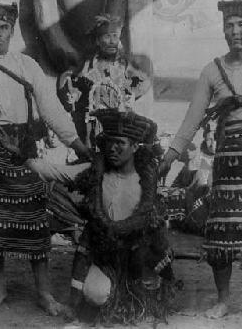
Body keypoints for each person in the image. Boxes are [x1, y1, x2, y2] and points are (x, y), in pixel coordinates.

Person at [159, 0, 242, 320]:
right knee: (221, 231)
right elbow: (192, 118)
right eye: (230, 26)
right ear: (223, 31)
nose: (236, 31)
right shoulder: (212, 70)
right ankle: (222, 299)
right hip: (229, 158)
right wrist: (170, 156)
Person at [0, 1, 90, 315]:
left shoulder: (28, 66)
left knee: (35, 223)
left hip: (24, 154)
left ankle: (44, 292)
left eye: (4, 28)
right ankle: (0, 286)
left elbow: (51, 109)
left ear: (12, 31)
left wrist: (77, 143)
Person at [65, 108, 175, 325]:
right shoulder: (96, 176)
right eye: (109, 142)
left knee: (146, 290)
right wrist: (23, 159)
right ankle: (105, 298)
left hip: (138, 256)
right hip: (106, 256)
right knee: (95, 294)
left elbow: (156, 233)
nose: (112, 148)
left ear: (135, 146)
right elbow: (54, 171)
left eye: (120, 143)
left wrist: (166, 272)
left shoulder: (147, 182)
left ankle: (136, 302)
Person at [57, 14, 153, 145]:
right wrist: (71, 96)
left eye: (115, 36)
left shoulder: (125, 64)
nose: (112, 41)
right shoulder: (88, 65)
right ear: (97, 40)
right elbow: (69, 81)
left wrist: (130, 94)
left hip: (120, 123)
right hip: (95, 125)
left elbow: (144, 80)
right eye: (107, 36)